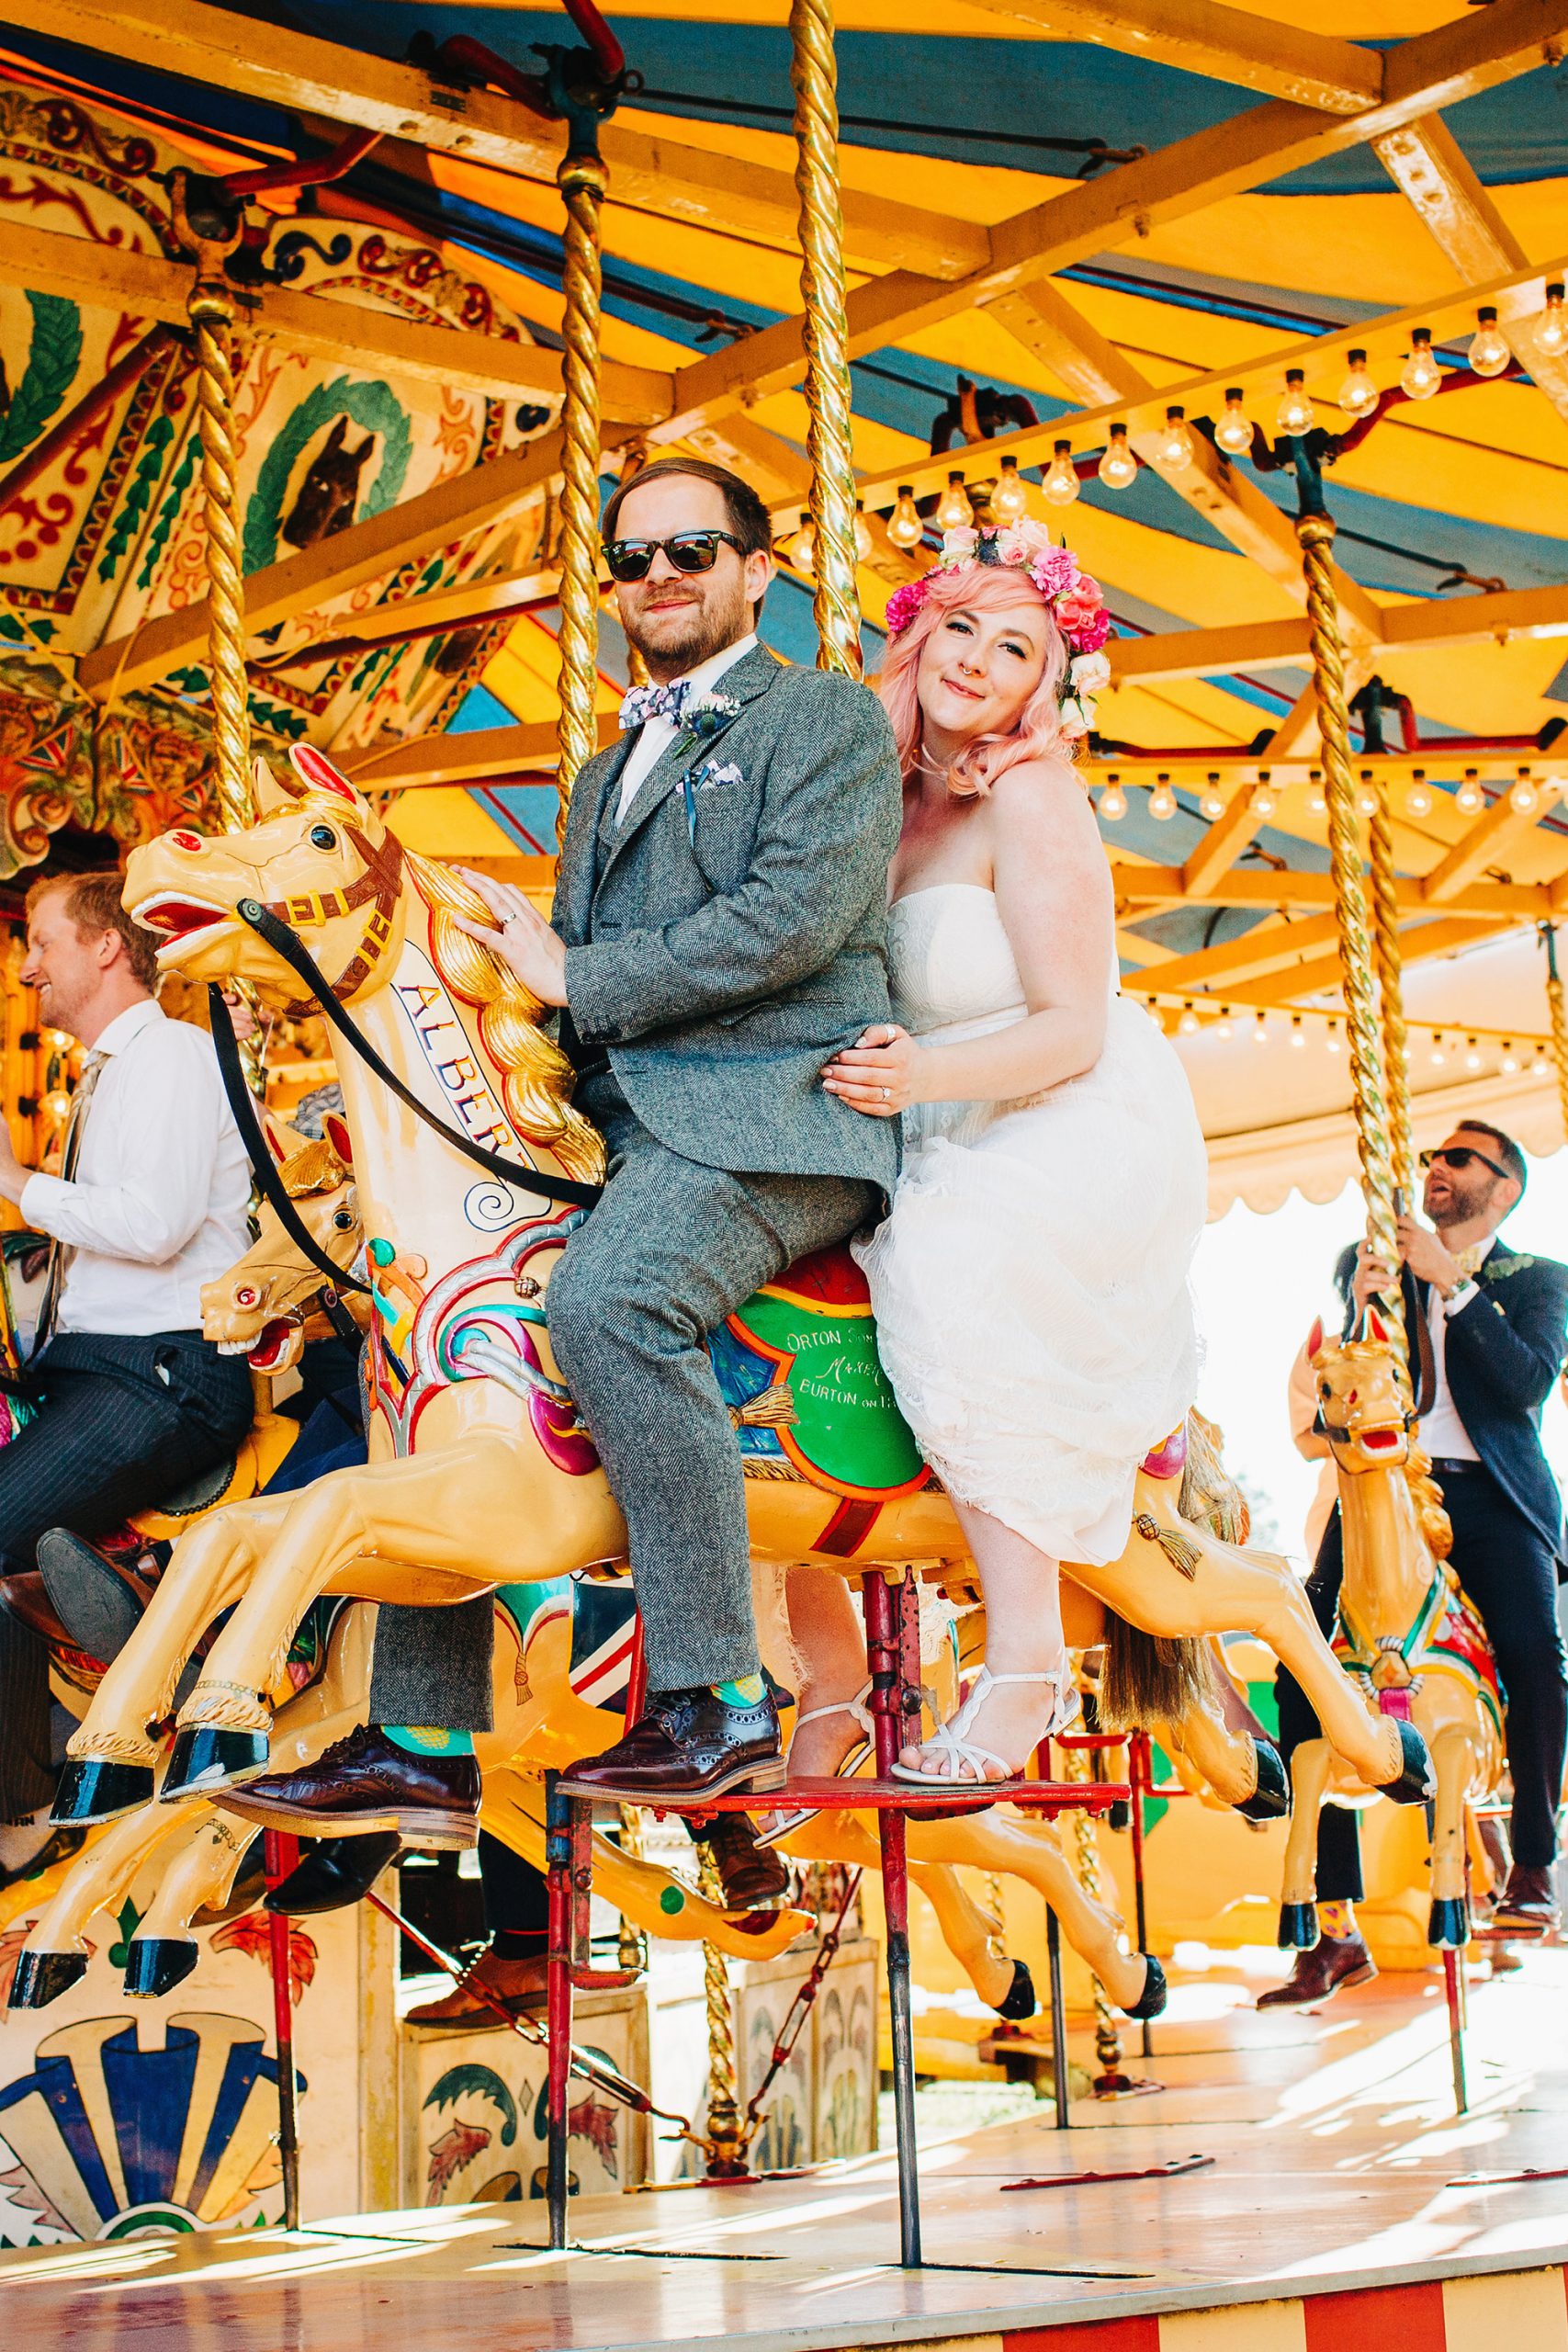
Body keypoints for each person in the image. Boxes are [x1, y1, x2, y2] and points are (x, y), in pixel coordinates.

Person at [230, 455, 904, 1825]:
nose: (658, 578)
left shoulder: (820, 719)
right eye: (633, 559)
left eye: (691, 550)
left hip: (769, 1116)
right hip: (626, 1127)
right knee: (439, 1331)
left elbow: (792, 922)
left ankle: (715, 1698)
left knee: (609, 1302)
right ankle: (417, 1738)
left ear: (757, 570)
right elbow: (565, 974)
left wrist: (567, 977)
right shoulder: (601, 775)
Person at [779, 518, 1207, 1785]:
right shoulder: (875, 800)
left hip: (1050, 1114)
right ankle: (825, 1676)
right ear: (916, 635)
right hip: (914, 1108)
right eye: (958, 626)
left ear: (1040, 684)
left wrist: (924, 1075)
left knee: (948, 1257)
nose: (975, 659)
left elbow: (1072, 1026)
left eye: (1012, 646)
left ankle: (1022, 1661)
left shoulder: (1030, 793)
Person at [1263, 1121, 1568, 2007]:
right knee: (1300, 1665)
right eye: (1433, 1156)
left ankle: (1536, 1870)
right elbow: (1341, 1398)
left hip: (1484, 1494)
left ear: (1503, 1187)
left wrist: (1453, 1283)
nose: (1436, 1167)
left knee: (1534, 1658)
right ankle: (1332, 1920)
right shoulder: (1380, 1277)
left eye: (1460, 1160)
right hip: (1382, 1489)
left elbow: (1523, 1385)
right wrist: (1364, 1305)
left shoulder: (1537, 1280)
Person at [0, 871, 253, 1880]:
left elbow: (151, 1225)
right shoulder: (107, 1074)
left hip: (161, 1375)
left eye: (42, 944)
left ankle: (22, 1807)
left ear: (107, 947)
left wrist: (21, 1187)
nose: (26, 968)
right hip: (90, 1367)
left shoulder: (174, 1058)